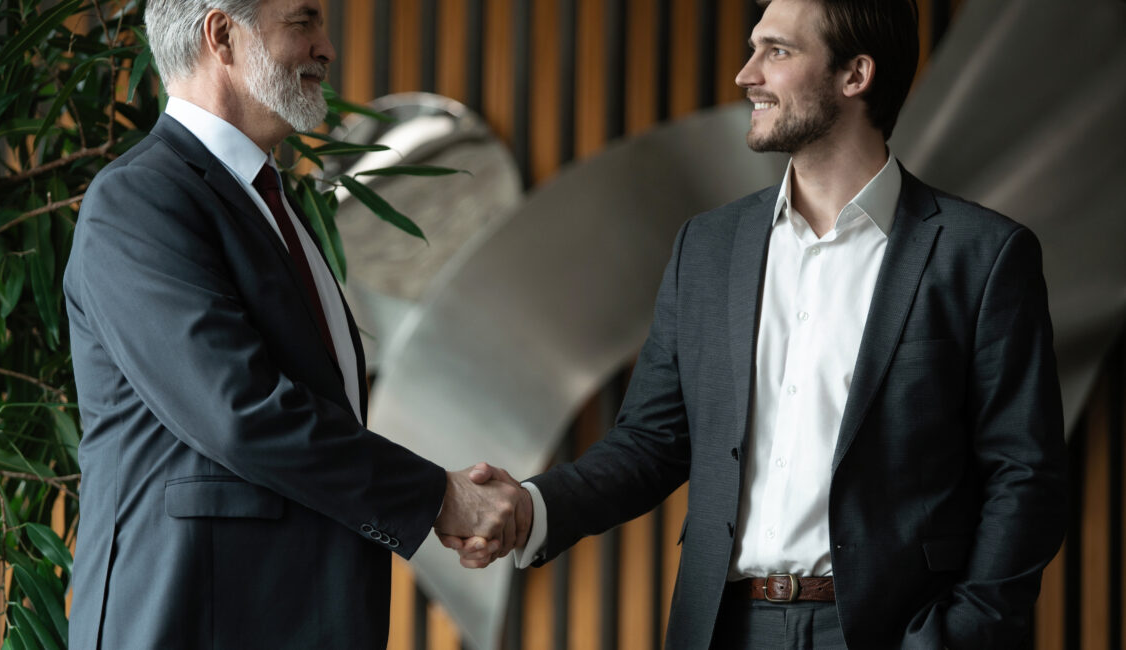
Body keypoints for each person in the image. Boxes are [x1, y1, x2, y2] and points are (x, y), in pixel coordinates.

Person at [443, 0, 1067, 647]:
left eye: (777, 51)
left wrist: (958, 635)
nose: (746, 75)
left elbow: (1025, 475)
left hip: (895, 630)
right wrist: (533, 508)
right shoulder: (707, 248)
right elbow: (651, 442)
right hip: (723, 627)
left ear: (855, 75)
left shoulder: (982, 254)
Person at [63, 1, 529, 647]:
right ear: (222, 34)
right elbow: (242, 412)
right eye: (304, 23)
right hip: (194, 621)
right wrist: (437, 498)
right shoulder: (139, 200)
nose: (327, 48)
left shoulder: (273, 202)